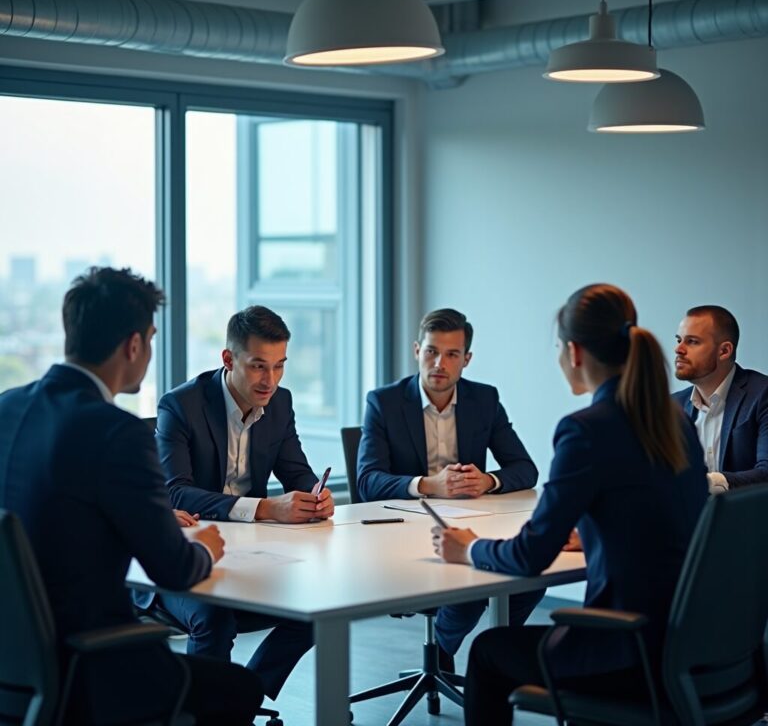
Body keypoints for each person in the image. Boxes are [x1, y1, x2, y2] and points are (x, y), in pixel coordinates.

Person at [433, 284, 708, 726]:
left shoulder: (586, 430)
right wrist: (596, 536)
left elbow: (530, 556)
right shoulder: (674, 419)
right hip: (693, 649)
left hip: (629, 655)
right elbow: (661, 518)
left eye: (559, 348)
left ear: (575, 352)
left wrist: (468, 548)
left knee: (487, 651)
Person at [0, 267, 262, 725]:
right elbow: (174, 570)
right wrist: (204, 547)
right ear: (135, 345)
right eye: (152, 340)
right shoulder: (115, 432)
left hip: (14, 667)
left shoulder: (7, 406)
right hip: (90, 667)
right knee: (241, 689)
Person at [154, 305, 332, 701]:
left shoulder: (280, 403)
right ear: (228, 359)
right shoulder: (180, 406)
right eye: (258, 367)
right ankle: (208, 713)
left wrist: (317, 494)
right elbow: (176, 491)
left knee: (321, 605)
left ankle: (243, 697)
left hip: (251, 554)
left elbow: (296, 471)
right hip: (186, 554)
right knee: (214, 618)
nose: (270, 380)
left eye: (279, 366)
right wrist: (265, 508)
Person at [357, 308, 542, 671]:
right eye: (431, 351)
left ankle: (494, 653)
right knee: (470, 585)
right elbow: (367, 481)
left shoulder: (484, 399)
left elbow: (525, 468)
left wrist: (488, 480)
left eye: (452, 354)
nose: (439, 363)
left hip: (471, 522)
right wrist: (429, 485)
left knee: (533, 578)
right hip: (404, 531)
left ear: (466, 359)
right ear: (417, 351)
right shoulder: (384, 402)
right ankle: (445, 648)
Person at [673, 304, 768, 492]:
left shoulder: (762, 394)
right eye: (679, 340)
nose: (679, 349)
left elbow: (766, 474)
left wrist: (703, 483)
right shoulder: (672, 406)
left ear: (724, 351)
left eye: (692, 341)